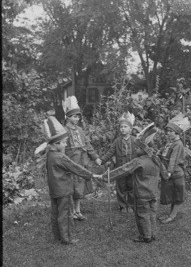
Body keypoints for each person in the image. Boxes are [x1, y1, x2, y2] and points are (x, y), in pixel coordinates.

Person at [97, 123, 165, 243]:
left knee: (141, 215)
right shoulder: (155, 158)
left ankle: (146, 237)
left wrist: (106, 176)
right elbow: (165, 174)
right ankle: (153, 233)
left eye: (137, 148)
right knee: (151, 213)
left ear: (143, 149)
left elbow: (122, 170)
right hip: (153, 193)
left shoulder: (138, 161)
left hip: (141, 194)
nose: (135, 149)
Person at [38, 116, 96, 245]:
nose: (65, 144)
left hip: (54, 190)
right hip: (64, 190)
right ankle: (67, 238)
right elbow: (75, 168)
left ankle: (57, 236)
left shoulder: (50, 155)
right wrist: (90, 175)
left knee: (56, 213)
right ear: (56, 144)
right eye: (64, 142)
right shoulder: (60, 157)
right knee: (66, 214)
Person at [62, 96, 102, 221]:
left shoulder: (80, 130)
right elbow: (61, 149)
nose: (77, 118)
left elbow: (88, 146)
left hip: (81, 163)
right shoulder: (64, 131)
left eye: (78, 116)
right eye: (74, 116)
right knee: (71, 187)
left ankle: (77, 210)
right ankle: (71, 210)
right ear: (68, 117)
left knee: (79, 187)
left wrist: (96, 158)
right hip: (71, 164)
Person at [99, 111, 139, 213]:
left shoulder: (135, 141)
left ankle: (130, 205)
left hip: (131, 168)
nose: (123, 129)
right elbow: (110, 152)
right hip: (119, 168)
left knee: (131, 186)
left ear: (130, 129)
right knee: (121, 187)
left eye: (125, 127)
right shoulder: (117, 141)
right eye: (121, 127)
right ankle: (122, 205)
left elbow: (140, 153)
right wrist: (102, 160)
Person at [159, 113, 191, 224]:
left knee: (178, 196)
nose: (167, 133)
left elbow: (173, 159)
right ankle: (170, 214)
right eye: (167, 131)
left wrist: (168, 172)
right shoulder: (170, 143)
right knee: (172, 194)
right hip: (170, 173)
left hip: (176, 174)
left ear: (176, 133)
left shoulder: (178, 144)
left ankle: (172, 216)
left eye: (170, 131)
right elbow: (163, 154)